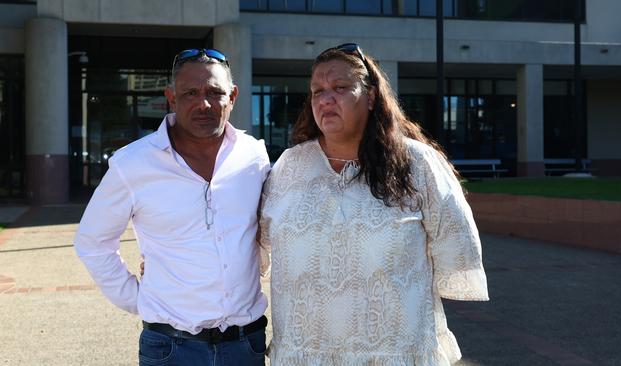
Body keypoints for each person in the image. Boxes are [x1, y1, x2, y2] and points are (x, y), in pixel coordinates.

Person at [259, 43, 489, 365]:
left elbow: (455, 250)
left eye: (340, 88)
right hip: (304, 353)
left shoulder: (417, 165)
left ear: (370, 97)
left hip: (393, 353)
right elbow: (261, 253)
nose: (326, 99)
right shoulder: (288, 167)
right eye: (317, 91)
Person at [74, 48, 270, 366]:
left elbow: (269, 227)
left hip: (245, 347)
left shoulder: (254, 157)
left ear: (232, 96)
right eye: (190, 93)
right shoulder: (132, 164)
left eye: (214, 92)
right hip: (171, 348)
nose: (203, 103)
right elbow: (92, 243)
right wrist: (138, 299)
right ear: (171, 97)